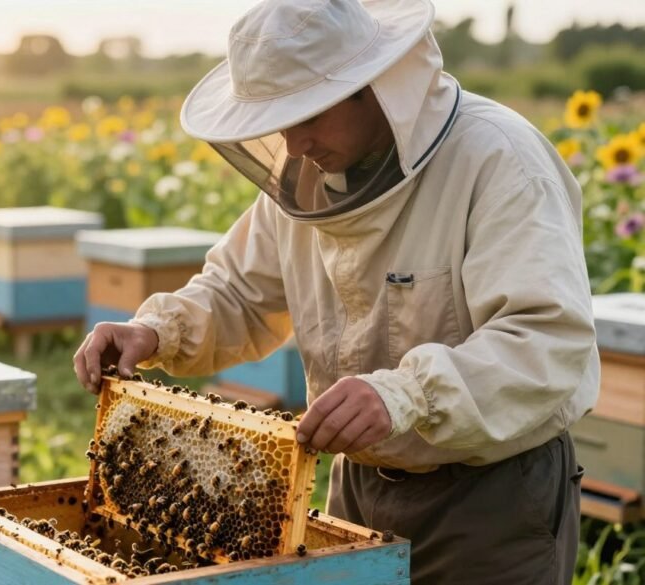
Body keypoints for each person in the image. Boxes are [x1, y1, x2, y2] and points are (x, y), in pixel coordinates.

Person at [73, 0, 600, 582]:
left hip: (491, 495)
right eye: (280, 120)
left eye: (309, 115)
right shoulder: (305, 183)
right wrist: (155, 330)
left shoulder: (498, 159)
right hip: (358, 481)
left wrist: (406, 395)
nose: (295, 144)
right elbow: (238, 292)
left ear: (371, 86)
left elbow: (547, 341)